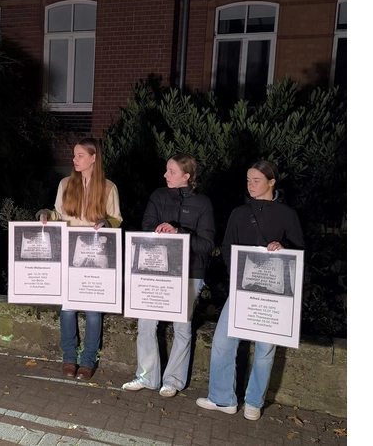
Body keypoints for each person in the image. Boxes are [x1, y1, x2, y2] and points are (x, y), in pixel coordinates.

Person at [196, 160, 305, 421]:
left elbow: (299, 249)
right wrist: (236, 274)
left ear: (272, 182)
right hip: (241, 289)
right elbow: (226, 245)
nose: (251, 185)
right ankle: (223, 399)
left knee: (265, 348)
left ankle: (254, 402)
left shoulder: (287, 214)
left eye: (256, 180)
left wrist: (284, 246)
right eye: (248, 180)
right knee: (223, 342)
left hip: (274, 293)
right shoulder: (239, 213)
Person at [121, 153, 215, 397]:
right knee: (146, 324)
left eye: (171, 171)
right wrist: (159, 230)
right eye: (166, 170)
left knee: (182, 328)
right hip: (155, 273)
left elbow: (206, 245)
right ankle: (147, 376)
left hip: (190, 273)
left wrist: (179, 231)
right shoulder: (158, 196)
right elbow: (146, 228)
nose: (165, 175)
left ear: (187, 176)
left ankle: (173, 380)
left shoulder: (203, 203)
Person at [36, 137, 123, 381]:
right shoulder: (65, 184)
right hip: (69, 254)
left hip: (96, 257)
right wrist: (47, 215)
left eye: (79, 155)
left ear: (94, 158)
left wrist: (107, 223)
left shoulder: (108, 188)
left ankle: (88, 359)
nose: (74, 159)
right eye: (74, 155)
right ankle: (69, 357)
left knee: (94, 312)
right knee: (68, 309)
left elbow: (116, 218)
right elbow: (58, 214)